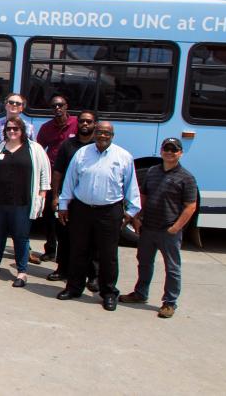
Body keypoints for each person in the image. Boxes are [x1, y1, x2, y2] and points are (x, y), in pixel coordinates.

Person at [56, 121, 142, 311]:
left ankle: (109, 293)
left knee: (108, 255)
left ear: (112, 135)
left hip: (109, 211)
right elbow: (70, 180)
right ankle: (74, 288)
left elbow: (131, 186)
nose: (102, 136)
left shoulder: (123, 156)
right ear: (94, 133)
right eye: (100, 132)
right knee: (78, 250)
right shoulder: (82, 153)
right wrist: (63, 205)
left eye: (107, 133)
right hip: (82, 209)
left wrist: (131, 211)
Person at [120, 138, 197, 319]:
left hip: (168, 231)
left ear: (180, 153)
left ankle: (169, 302)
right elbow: (144, 196)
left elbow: (190, 206)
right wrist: (137, 217)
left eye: (174, 149)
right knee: (144, 262)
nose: (169, 152)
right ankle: (140, 293)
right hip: (148, 228)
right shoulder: (153, 171)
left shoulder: (187, 177)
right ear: (161, 151)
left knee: (172, 268)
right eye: (166, 149)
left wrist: (176, 227)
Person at [0, 116, 51, 288]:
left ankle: (22, 272)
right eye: (9, 129)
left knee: (21, 237)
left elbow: (44, 174)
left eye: (15, 129)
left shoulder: (34, 149)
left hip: (22, 202)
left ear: (22, 131)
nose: (11, 131)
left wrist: (42, 194)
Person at [46, 110, 98, 282]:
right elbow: (58, 172)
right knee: (64, 235)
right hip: (68, 198)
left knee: (91, 240)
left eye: (88, 122)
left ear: (94, 125)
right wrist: (55, 197)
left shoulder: (98, 145)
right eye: (82, 121)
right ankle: (62, 269)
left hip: (89, 201)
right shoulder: (67, 145)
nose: (85, 124)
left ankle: (93, 276)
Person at [33, 93, 77, 263]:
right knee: (49, 215)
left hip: (72, 177)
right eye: (54, 106)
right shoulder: (46, 127)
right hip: (52, 176)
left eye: (60, 105)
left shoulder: (76, 124)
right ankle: (51, 249)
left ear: (67, 106)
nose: (57, 109)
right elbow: (38, 150)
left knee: (70, 215)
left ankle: (68, 252)